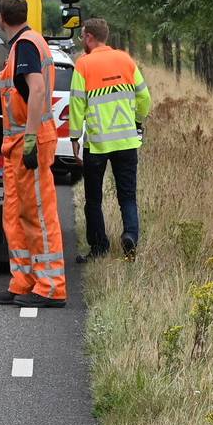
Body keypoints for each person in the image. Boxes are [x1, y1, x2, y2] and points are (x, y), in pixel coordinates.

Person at [0, 0, 67, 308]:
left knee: (38, 215)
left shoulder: (25, 46)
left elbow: (35, 90)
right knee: (17, 215)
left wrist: (32, 139)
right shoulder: (25, 44)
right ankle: (24, 281)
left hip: (28, 141)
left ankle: (51, 287)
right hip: (18, 143)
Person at [68, 18, 150, 260]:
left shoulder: (83, 65)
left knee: (93, 199)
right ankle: (130, 237)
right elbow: (145, 98)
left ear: (90, 37)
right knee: (128, 196)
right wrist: (137, 121)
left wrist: (74, 138)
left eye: (83, 36)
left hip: (97, 144)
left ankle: (99, 248)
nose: (82, 41)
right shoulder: (126, 60)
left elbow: (76, 104)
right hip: (126, 142)